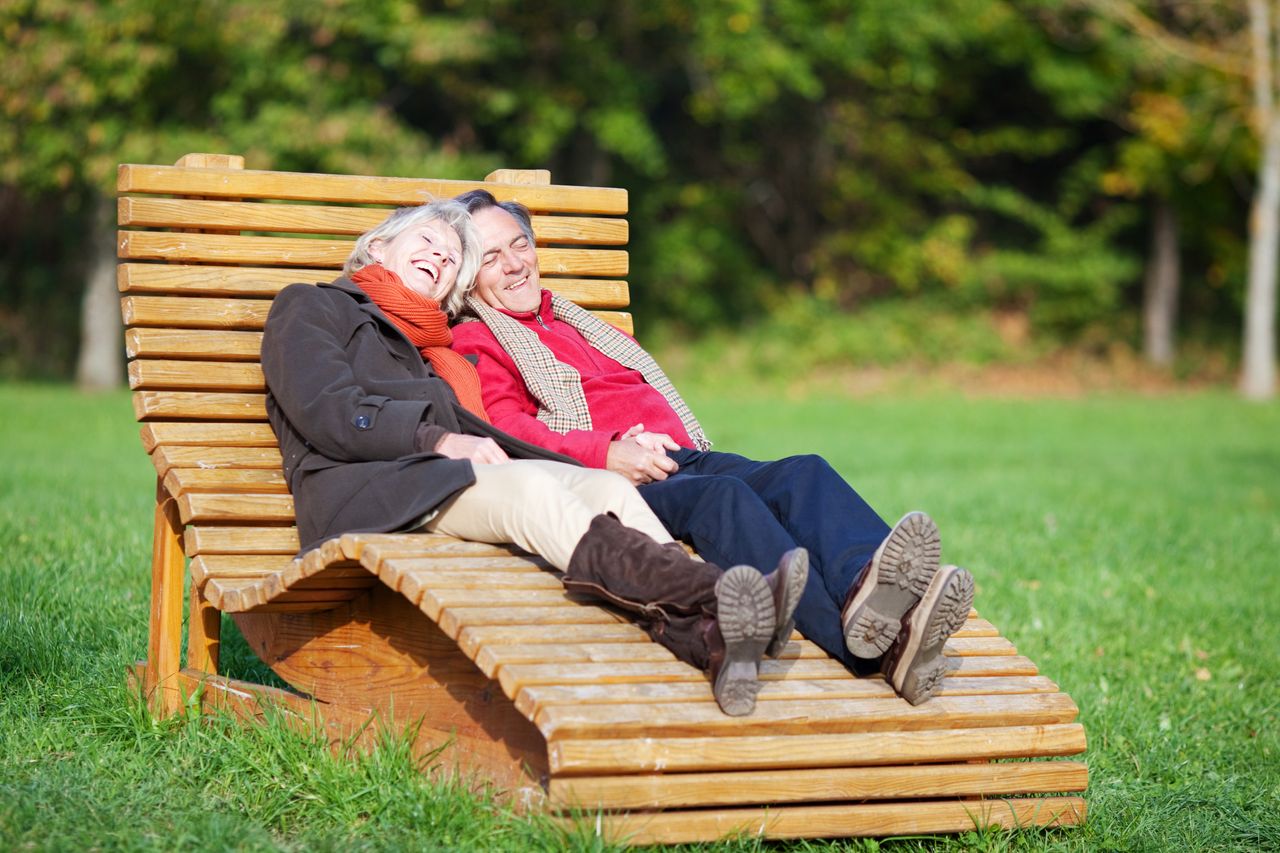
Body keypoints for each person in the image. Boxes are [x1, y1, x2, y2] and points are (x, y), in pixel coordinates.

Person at [260, 200, 809, 716]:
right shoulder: (310, 305)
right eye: (426, 241)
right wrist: (438, 441)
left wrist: (589, 457)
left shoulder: (430, 347)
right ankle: (720, 595)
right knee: (531, 493)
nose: (439, 258)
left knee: (606, 490)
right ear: (378, 248)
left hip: (438, 479)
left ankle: (711, 640)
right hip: (366, 492)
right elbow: (327, 410)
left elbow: (494, 429)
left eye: (451, 260)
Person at [450, 190, 975, 704]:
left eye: (519, 244)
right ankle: (868, 652)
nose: (514, 264)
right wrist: (605, 451)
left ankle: (872, 588)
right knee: (725, 498)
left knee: (804, 473)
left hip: (681, 456)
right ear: (470, 276)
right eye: (492, 258)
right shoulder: (480, 339)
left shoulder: (575, 320)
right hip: (617, 479)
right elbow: (508, 427)